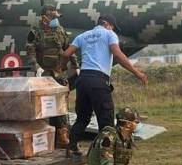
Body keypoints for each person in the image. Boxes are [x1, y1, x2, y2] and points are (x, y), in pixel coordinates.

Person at [62, 15, 147, 155]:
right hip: (98, 81)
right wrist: (137, 73)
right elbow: (118, 54)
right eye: (113, 27)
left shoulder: (83, 36)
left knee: (82, 118)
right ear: (107, 24)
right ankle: (105, 153)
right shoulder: (109, 34)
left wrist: (62, 68)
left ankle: (71, 147)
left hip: (82, 80)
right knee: (106, 120)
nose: (113, 29)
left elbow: (66, 54)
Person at [26, 4, 76, 147]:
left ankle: (63, 136)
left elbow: (68, 48)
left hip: (59, 73)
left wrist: (75, 65)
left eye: (56, 17)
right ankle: (46, 136)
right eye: (53, 17)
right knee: (44, 106)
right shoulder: (35, 32)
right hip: (44, 74)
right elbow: (30, 51)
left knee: (61, 105)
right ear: (44, 17)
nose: (56, 20)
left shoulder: (60, 31)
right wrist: (36, 67)